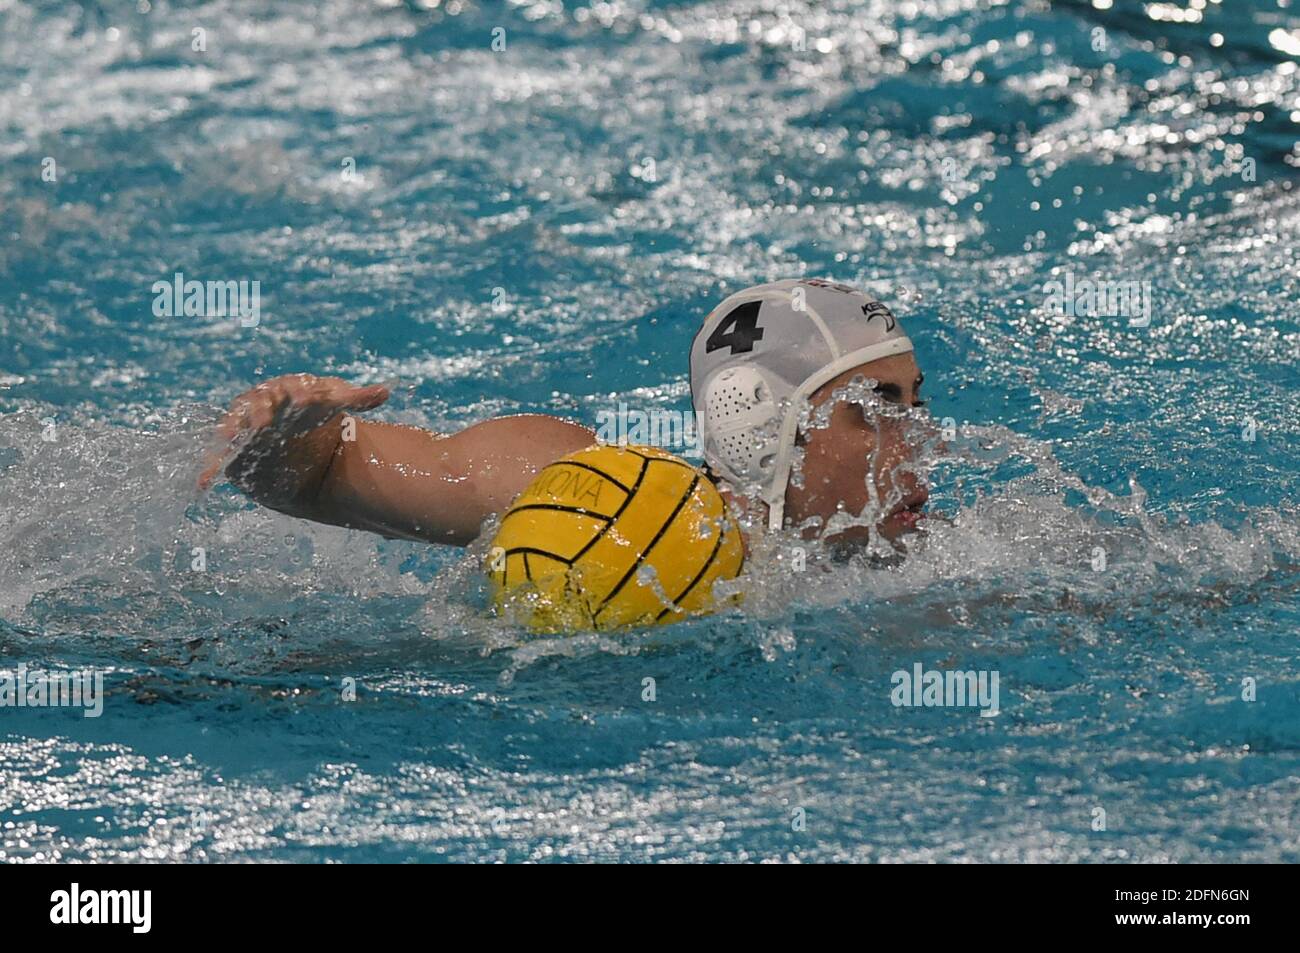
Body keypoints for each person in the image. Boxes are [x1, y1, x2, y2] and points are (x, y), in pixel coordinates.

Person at [199, 279, 930, 549]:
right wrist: (282, 434)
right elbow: (320, 475)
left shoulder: (932, 568)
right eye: (877, 412)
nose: (921, 441)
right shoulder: (590, 498)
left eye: (917, 406)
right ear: (759, 428)